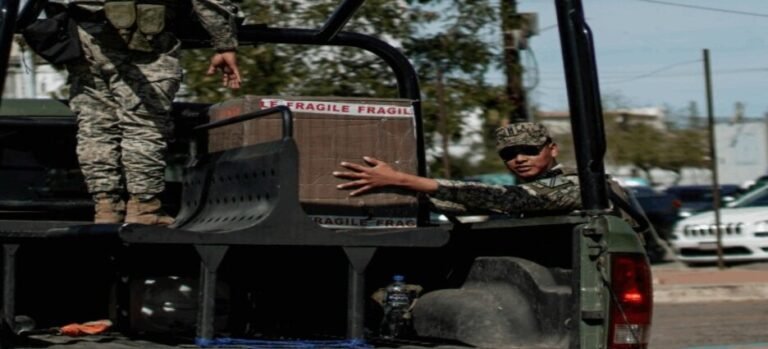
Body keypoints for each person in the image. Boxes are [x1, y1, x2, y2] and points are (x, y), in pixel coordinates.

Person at [65, 0, 242, 224]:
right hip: (146, 41)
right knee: (144, 123)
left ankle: (106, 207)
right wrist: (225, 44)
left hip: (87, 36)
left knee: (96, 125)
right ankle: (144, 207)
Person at [333, 122, 581, 216]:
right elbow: (473, 202)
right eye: (508, 154)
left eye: (529, 150)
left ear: (553, 149)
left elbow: (505, 198)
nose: (519, 159)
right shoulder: (527, 189)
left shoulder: (576, 184)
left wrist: (400, 179)